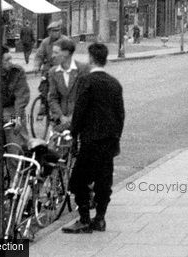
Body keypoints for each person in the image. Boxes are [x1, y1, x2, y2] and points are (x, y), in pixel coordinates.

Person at [62, 43, 125, 234]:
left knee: (78, 181)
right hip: (109, 141)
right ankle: (100, 219)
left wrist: (73, 134)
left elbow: (80, 112)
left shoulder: (86, 81)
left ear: (91, 59)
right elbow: (120, 114)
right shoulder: (114, 83)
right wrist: (115, 136)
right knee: (103, 181)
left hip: (91, 141)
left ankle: (83, 219)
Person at [47, 38, 91, 132]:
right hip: (60, 121)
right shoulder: (53, 72)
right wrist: (61, 116)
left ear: (66, 53)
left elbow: (85, 96)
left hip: (80, 119)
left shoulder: (82, 69)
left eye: (56, 52)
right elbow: (52, 98)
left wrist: (73, 116)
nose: (52, 56)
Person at [32, 20, 65, 113]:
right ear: (49, 32)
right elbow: (39, 55)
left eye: (58, 30)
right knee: (43, 85)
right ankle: (43, 104)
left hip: (61, 69)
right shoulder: (45, 42)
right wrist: (36, 65)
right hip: (48, 69)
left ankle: (61, 109)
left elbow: (69, 54)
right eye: (54, 31)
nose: (56, 33)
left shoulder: (65, 41)